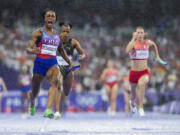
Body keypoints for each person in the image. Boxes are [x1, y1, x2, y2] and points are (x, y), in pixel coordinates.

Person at [26, 10, 72, 119]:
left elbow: (61, 51)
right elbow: (28, 48)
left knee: (55, 82)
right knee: (35, 90)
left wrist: (69, 62)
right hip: (39, 63)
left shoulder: (57, 36)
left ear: (55, 20)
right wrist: (32, 51)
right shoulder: (38, 33)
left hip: (52, 62)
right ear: (45, 19)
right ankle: (32, 101)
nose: (50, 18)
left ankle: (47, 110)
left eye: (53, 16)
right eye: (48, 16)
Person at [125, 27, 166, 116]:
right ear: (135, 34)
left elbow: (154, 44)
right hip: (133, 73)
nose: (140, 34)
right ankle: (132, 104)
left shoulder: (147, 42)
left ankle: (141, 107)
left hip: (144, 71)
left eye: (141, 33)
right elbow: (127, 50)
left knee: (141, 84)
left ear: (144, 34)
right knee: (133, 94)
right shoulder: (133, 44)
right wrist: (133, 38)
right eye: (138, 33)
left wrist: (157, 56)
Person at [54, 22, 86, 119]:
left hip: (68, 68)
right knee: (58, 85)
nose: (65, 34)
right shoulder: (55, 41)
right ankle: (56, 110)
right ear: (60, 31)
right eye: (63, 31)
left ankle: (63, 101)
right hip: (57, 67)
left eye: (67, 32)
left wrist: (81, 57)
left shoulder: (73, 42)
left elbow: (83, 53)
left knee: (66, 91)